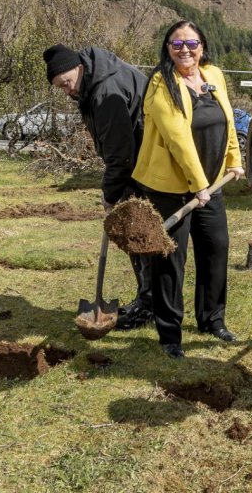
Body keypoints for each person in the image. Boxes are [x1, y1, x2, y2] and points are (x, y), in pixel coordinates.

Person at [132, 20, 244, 359]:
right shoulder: (160, 83)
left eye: (191, 44)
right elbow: (177, 138)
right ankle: (170, 334)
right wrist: (198, 185)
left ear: (202, 47)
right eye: (177, 44)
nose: (185, 50)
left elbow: (229, 122)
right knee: (170, 260)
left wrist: (234, 160)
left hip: (211, 186)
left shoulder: (214, 75)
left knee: (216, 249)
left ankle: (212, 320)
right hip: (171, 189)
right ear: (167, 49)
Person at [43, 44, 153, 330]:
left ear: (79, 68)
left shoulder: (105, 90)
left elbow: (120, 152)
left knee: (141, 237)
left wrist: (110, 193)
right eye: (60, 87)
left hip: (145, 168)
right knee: (138, 237)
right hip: (139, 166)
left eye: (66, 83)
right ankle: (147, 300)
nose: (66, 90)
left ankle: (149, 307)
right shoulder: (95, 80)